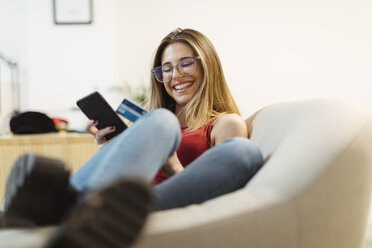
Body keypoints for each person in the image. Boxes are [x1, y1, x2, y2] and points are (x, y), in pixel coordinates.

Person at [0, 28, 264, 248]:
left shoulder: (225, 124)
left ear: (207, 66)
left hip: (150, 204)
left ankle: (66, 207)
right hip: (114, 197)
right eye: (167, 69)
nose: (176, 76)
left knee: (244, 152)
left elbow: (221, 199)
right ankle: (72, 209)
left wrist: (172, 166)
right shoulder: (157, 119)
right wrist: (111, 150)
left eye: (186, 64)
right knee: (160, 121)